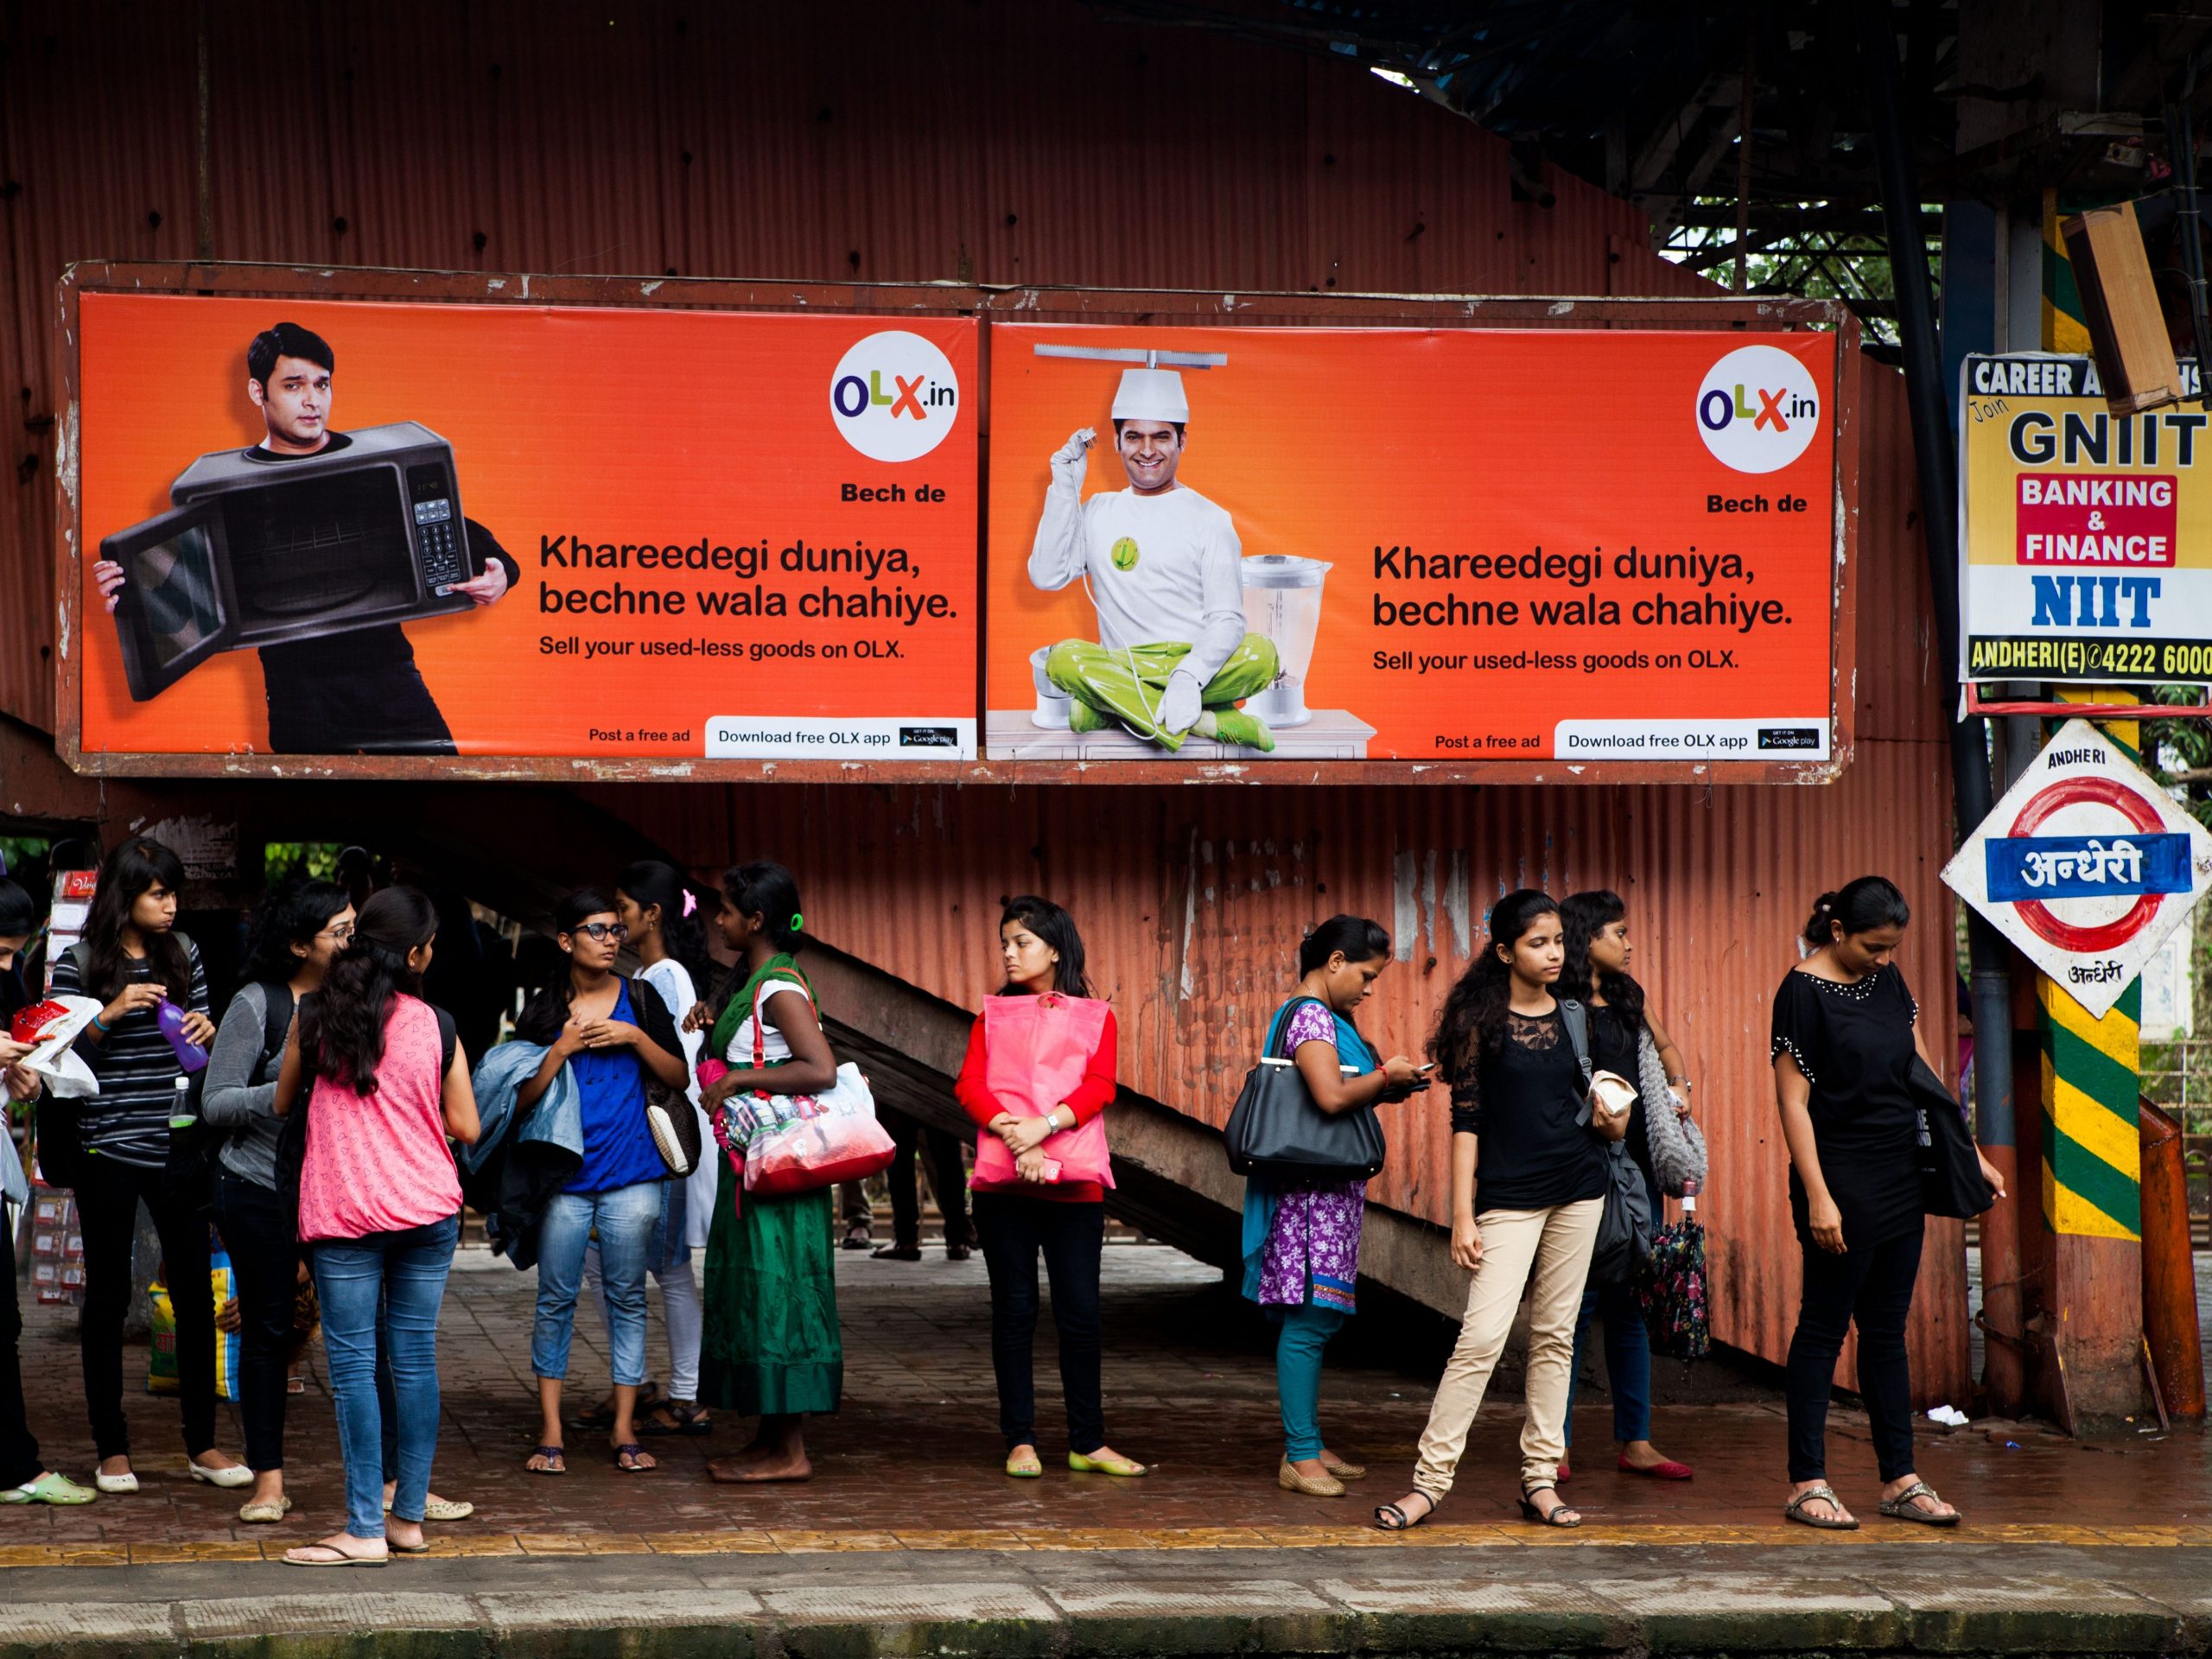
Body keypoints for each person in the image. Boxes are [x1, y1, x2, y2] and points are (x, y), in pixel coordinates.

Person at [91, 321, 519, 755]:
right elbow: (183, 593)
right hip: (297, 693)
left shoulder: (370, 464)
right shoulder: (229, 488)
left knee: (440, 799)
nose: (312, 400)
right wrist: (131, 596)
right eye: (294, 386)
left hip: (386, 674)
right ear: (259, 393)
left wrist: (502, 572)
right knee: (310, 819)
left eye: (322, 384)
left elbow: (464, 534)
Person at [1376, 891, 1621, 1533]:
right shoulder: (1481, 1021)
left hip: (1581, 1186)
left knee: (1555, 1337)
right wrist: (1463, 1215)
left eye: (1559, 942)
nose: (1553, 954)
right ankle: (1428, 1485)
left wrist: (1612, 1119)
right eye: (1538, 943)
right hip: (1508, 1198)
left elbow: (1601, 1111)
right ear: (1507, 951)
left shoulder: (1576, 1016)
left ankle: (1540, 1480)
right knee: (1481, 1338)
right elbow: (1466, 1123)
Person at [1771, 876, 2005, 1531]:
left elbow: (1923, 1070)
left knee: (1886, 1330)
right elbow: (1792, 1101)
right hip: (1839, 1178)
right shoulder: (1801, 992)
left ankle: (1899, 1478)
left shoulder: (1889, 981)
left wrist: (1967, 1151)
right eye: (1873, 946)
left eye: (1892, 947)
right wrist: (1818, 1197)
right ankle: (1807, 1482)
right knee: (1822, 1327)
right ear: (1839, 931)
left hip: (1900, 1170)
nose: (1883, 958)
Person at [273, 886, 480, 1566]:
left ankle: (364, 1527)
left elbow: (282, 1102)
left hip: (346, 1215)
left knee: (356, 1368)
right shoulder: (440, 1024)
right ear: (417, 953)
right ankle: (408, 1520)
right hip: (428, 1210)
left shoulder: (315, 1015)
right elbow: (467, 1126)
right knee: (414, 1360)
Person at [50, 836, 247, 1497]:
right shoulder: (79, 962)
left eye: (174, 894)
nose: (171, 906)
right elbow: (59, 1058)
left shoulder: (185, 952)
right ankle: (111, 1449)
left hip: (179, 1142)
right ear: (125, 895)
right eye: (158, 893)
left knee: (195, 1293)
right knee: (106, 1299)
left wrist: (209, 1032)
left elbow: (213, 1032)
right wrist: (110, 1014)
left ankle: (204, 1443)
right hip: (107, 1148)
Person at [955, 896, 1147, 1479]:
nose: (1010, 954)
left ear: (1055, 948)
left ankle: (1087, 1441)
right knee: (1013, 1313)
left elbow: (1100, 1086)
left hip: (1074, 1188)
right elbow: (969, 1086)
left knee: (1081, 1315)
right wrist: (1022, 1140)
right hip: (1004, 1189)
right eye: (1005, 944)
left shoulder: (1096, 1016)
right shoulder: (990, 1016)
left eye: (1022, 943)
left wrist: (1044, 1125)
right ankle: (1020, 1439)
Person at [1249, 915, 1427, 1497]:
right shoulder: (1311, 1016)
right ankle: (1298, 1455)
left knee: (1318, 1318)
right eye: (1367, 975)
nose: (1368, 989)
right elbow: (1329, 1097)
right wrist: (1384, 1077)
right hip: (1309, 1199)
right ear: (1334, 963)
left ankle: (1309, 1441)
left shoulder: (1319, 1016)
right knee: (1308, 1319)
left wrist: (1389, 1083)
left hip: (1324, 1195)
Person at [512, 889, 687, 1475]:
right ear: (566, 941)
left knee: (628, 1298)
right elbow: (520, 1098)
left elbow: (679, 1077)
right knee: (555, 1300)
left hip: (635, 1174)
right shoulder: (543, 1009)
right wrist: (560, 1047)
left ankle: (623, 1428)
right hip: (564, 1180)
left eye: (616, 930)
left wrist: (634, 1038)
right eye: (597, 930)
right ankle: (552, 1432)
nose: (611, 940)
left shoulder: (641, 998)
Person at [203, 876, 353, 1524]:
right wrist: (283, 1089)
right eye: (339, 932)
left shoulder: (362, 998)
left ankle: (386, 1485)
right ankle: (268, 1481)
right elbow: (215, 1102)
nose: (353, 941)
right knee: (267, 1333)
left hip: (345, 1190)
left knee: (363, 1337)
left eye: (355, 928)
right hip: (261, 1187)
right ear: (299, 944)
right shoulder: (256, 1005)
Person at [687, 861, 842, 1483]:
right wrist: (710, 1021)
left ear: (755, 921)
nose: (717, 919)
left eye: (726, 911)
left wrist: (741, 1077)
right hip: (752, 1172)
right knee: (758, 1294)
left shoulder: (780, 986)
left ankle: (789, 1451)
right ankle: (769, 1438)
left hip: (780, 1177)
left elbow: (820, 1068)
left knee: (780, 1294)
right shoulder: (751, 983)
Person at [1028, 368, 1279, 753]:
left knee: (1263, 655)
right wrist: (1065, 484)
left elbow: (1227, 619)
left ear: (1182, 441)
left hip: (1196, 664)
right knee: (1062, 660)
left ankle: (1114, 709)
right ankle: (1205, 722)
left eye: (1161, 436)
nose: (1147, 450)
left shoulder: (1210, 519)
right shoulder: (1099, 510)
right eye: (1134, 437)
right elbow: (1046, 575)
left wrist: (1189, 676)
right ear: (1116, 442)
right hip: (1123, 663)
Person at [1557, 890, 1694, 1484]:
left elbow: (1664, 1048)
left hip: (1635, 1176)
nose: (1629, 943)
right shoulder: (1556, 1005)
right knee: (1572, 1313)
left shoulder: (1628, 998)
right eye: (1618, 933)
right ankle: (1551, 1446)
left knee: (1630, 1310)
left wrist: (1679, 1087)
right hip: (1580, 1172)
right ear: (1586, 939)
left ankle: (1635, 1441)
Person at [600, 861, 716, 1438]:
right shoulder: (655, 972)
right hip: (651, 1142)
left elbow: (678, 1069)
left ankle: (687, 1394)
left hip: (665, 1141)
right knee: (613, 1259)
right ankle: (640, 1381)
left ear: (653, 915)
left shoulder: (666, 977)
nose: (616, 922)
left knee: (668, 1270)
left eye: (623, 910)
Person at [1, 876, 97, 1507]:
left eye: (15, 952)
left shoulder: (7, 979)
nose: (7, 965)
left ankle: (15, 1463)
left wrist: (20, 1076)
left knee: (4, 1322)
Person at [869, 1109, 973, 1262]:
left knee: (900, 1158)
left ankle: (906, 1241)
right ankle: (958, 1240)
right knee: (947, 1155)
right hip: (936, 1093)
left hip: (899, 1093)